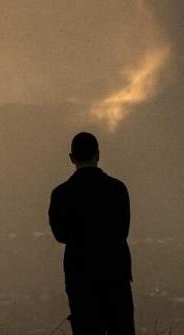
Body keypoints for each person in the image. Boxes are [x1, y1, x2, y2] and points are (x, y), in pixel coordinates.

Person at [49, 132, 135, 335]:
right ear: (98, 154)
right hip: (115, 273)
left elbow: (60, 235)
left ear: (72, 158)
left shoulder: (61, 194)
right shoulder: (117, 189)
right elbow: (123, 230)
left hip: (80, 277)